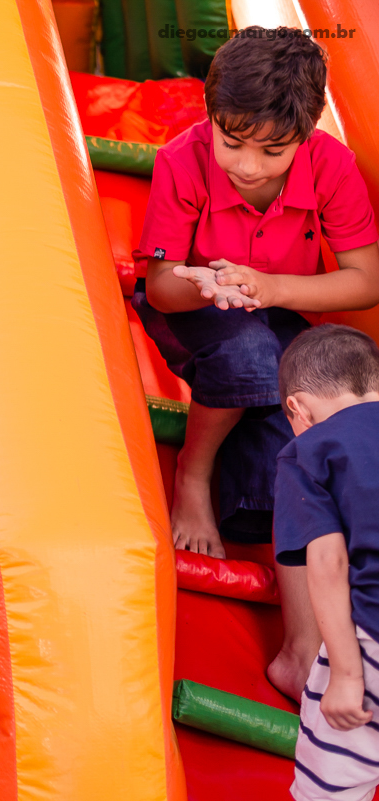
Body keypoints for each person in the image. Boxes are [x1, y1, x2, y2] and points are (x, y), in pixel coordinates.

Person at [131, 28, 379, 698]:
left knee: (310, 450)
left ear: (304, 135)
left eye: (271, 151)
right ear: (211, 120)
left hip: (274, 310)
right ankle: (196, 470)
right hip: (191, 300)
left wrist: (270, 288)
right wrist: (216, 282)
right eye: (231, 141)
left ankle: (304, 652)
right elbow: (159, 286)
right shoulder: (184, 159)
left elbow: (366, 278)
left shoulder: (330, 165)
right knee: (250, 355)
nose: (246, 164)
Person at [271, 325, 379, 801]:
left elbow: (329, 563)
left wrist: (346, 674)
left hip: (372, 639)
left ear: (297, 408)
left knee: (331, 785)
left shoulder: (308, 450)